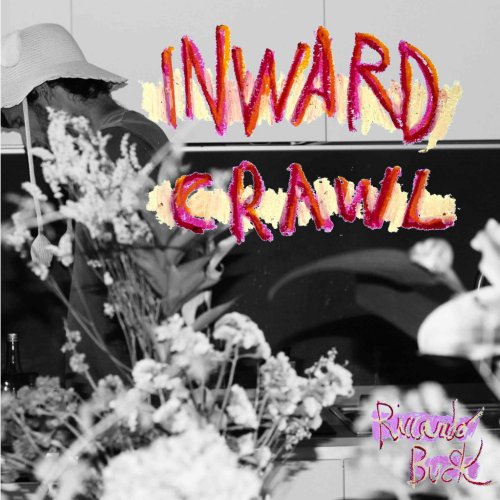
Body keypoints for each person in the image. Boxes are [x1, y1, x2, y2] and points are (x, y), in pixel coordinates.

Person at [1, 23, 169, 393]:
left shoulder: (114, 149)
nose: (29, 143)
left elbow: (128, 285)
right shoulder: (133, 134)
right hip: (133, 378)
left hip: (124, 386)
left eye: (21, 124)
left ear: (46, 93)